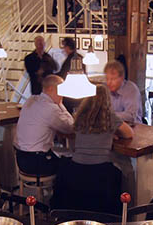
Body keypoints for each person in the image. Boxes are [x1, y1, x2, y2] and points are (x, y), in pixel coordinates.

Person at [51, 86, 133, 214]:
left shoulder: (80, 117)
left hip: (76, 167)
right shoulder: (110, 118)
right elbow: (129, 134)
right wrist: (112, 133)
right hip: (101, 170)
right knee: (127, 170)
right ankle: (129, 211)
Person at [15, 75, 74, 177]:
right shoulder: (50, 108)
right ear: (51, 89)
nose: (63, 94)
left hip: (21, 158)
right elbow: (70, 127)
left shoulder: (31, 100)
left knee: (62, 155)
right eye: (61, 90)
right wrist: (61, 104)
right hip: (38, 162)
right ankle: (59, 187)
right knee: (72, 162)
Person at [104, 61, 143, 126]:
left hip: (134, 127)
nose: (109, 82)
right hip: (113, 126)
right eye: (107, 79)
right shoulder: (105, 88)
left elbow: (130, 116)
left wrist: (108, 115)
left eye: (113, 79)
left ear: (122, 78)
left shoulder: (131, 90)